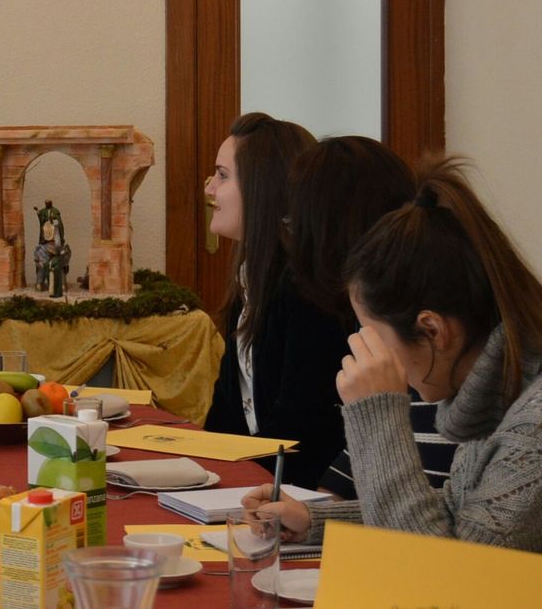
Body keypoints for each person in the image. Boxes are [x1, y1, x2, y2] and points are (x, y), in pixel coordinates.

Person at [245, 158, 542, 550]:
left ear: (433, 330)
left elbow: (452, 580)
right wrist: (316, 522)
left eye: (374, 338)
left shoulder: (532, 428)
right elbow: (457, 519)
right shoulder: (498, 391)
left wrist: (378, 415)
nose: (372, 356)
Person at [287, 136, 456, 498]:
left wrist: (379, 413)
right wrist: (314, 516)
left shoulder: (500, 414)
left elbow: (431, 544)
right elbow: (345, 490)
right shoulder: (431, 365)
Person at [202, 112, 351, 488]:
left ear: (260, 187)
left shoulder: (305, 289)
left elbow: (302, 427)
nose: (208, 188)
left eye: (222, 175)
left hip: (300, 500)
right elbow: (228, 411)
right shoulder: (251, 280)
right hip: (255, 487)